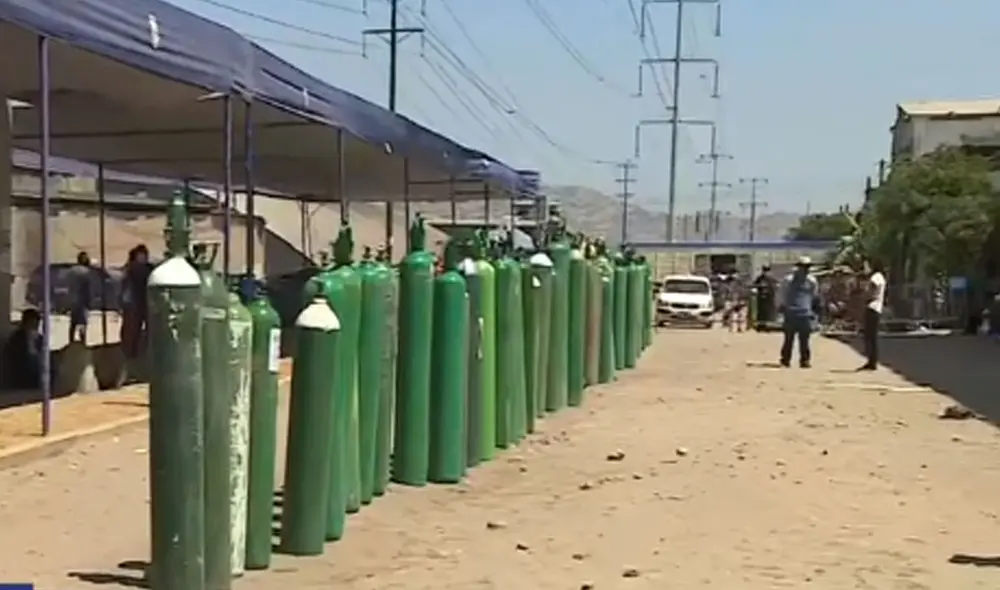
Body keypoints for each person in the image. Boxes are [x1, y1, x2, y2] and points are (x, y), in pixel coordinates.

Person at [777, 256, 820, 368]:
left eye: (807, 267)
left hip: (805, 313)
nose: (805, 269)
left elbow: (814, 295)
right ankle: (785, 359)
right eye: (803, 266)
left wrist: (812, 310)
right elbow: (781, 293)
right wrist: (781, 306)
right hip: (791, 312)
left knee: (804, 339)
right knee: (788, 339)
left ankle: (804, 360)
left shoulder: (812, 281)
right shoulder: (788, 280)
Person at [120, 245, 154, 360]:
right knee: (133, 331)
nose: (144, 257)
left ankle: (133, 353)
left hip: (138, 303)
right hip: (135, 303)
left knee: (134, 331)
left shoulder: (130, 268)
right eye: (142, 255)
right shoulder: (135, 268)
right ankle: (132, 354)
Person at [2, 309, 43, 390]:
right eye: (31, 324)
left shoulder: (40, 339)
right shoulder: (16, 338)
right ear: (25, 323)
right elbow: (15, 359)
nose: (33, 327)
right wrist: (30, 342)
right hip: (20, 375)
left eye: (36, 324)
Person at [859, 259, 886, 371]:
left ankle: (872, 361)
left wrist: (867, 295)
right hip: (874, 307)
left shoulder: (876, 277)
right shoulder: (879, 277)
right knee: (870, 336)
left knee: (870, 336)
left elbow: (873, 287)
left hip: (872, 307)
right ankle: (871, 360)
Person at [67, 251, 93, 343]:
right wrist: (89, 301)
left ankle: (71, 341)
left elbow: (69, 286)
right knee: (83, 323)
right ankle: (83, 341)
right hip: (82, 301)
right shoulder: (86, 272)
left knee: (73, 322)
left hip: (73, 300)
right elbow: (87, 288)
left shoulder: (72, 271)